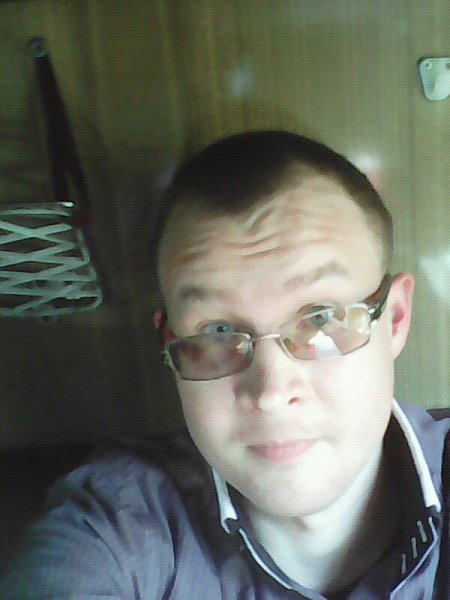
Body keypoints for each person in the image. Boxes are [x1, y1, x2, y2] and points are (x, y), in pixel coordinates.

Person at [1, 130, 449, 599]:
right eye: (217, 330)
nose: (270, 392)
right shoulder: (118, 524)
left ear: (395, 319)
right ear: (171, 346)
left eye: (321, 317)